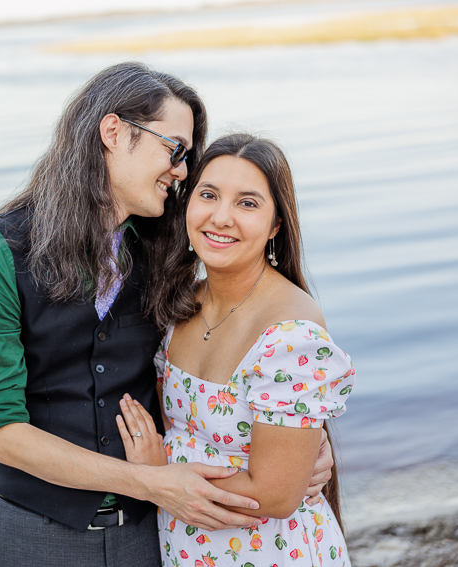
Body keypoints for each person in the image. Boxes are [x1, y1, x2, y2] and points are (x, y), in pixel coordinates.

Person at [0, 63, 334, 567]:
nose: (182, 172)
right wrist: (152, 482)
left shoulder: (162, 251)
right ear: (113, 132)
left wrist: (302, 441)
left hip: (152, 537)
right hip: (33, 536)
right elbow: (2, 435)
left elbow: (243, 351)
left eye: (187, 157)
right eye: (175, 149)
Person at [116, 133, 354, 566]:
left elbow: (276, 495)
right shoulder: (182, 304)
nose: (220, 217)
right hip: (188, 547)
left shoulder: (290, 334)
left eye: (247, 203)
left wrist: (156, 477)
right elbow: (183, 429)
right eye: (208, 195)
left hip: (270, 553)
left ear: (276, 225)